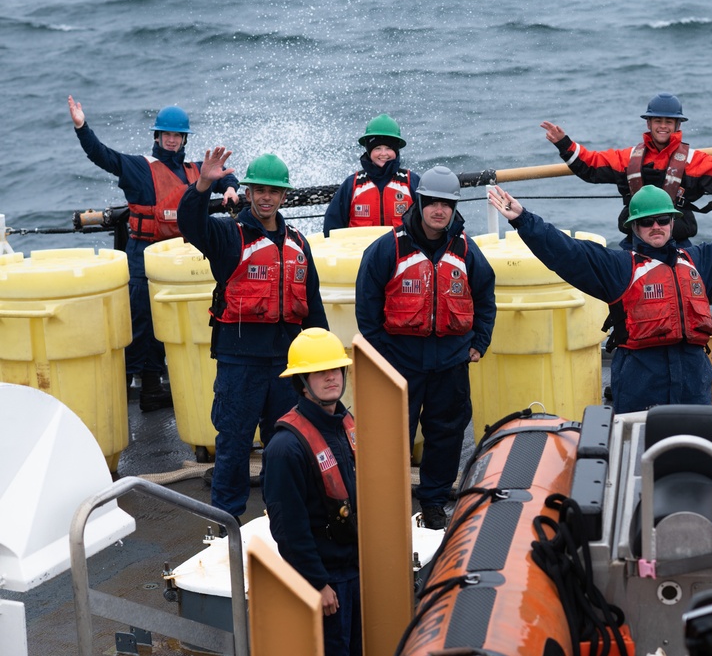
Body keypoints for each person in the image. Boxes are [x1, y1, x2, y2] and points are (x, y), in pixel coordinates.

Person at [487, 184, 712, 414]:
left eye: (663, 220)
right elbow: (567, 252)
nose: (656, 227)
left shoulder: (698, 261)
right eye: (647, 222)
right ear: (634, 226)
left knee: (697, 458)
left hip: (693, 379)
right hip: (641, 380)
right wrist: (523, 220)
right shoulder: (618, 267)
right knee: (640, 463)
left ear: (672, 222)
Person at [177, 146, 328, 520]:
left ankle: (288, 520)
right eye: (259, 190)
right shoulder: (228, 235)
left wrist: (324, 364)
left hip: (286, 366)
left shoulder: (298, 243)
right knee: (233, 445)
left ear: (284, 196)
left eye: (273, 191)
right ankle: (225, 527)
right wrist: (202, 185)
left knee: (287, 445)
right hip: (239, 364)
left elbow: (313, 304)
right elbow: (190, 225)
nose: (266, 197)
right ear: (247, 193)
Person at [68, 95, 240, 411]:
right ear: (157, 137)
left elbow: (224, 173)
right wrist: (82, 127)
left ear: (184, 138)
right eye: (166, 135)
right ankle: (126, 395)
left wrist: (230, 187)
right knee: (141, 322)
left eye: (177, 135)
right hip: (142, 256)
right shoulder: (138, 168)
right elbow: (101, 155)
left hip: (180, 260)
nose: (172, 140)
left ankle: (154, 388)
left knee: (174, 321)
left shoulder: (196, 170)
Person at [355, 166, 496, 529]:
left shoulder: (466, 250)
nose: (439, 210)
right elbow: (367, 304)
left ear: (454, 208)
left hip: (450, 363)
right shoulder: (388, 248)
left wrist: (480, 341)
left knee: (446, 436)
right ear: (418, 203)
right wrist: (380, 354)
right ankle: (388, 504)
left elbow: (484, 295)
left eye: (446, 204)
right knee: (391, 435)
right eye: (432, 202)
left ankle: (433, 503)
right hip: (400, 363)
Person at [540, 92, 712, 244]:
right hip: (635, 241)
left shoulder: (693, 160)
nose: (663, 126)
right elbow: (590, 166)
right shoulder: (628, 158)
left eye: (668, 122)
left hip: (677, 242)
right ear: (649, 123)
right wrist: (564, 143)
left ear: (677, 125)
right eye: (658, 121)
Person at [263, 328, 361, 656]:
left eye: (335, 369)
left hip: (357, 572)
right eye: (319, 372)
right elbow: (289, 528)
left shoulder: (347, 425)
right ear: (302, 381)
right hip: (328, 582)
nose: (330, 377)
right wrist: (317, 583)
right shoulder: (286, 448)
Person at [323, 113, 421, 234]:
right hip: (358, 251)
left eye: (389, 148)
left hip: (401, 251)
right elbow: (332, 226)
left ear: (396, 150)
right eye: (377, 148)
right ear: (369, 151)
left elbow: (426, 222)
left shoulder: (411, 181)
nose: (383, 153)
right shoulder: (352, 184)